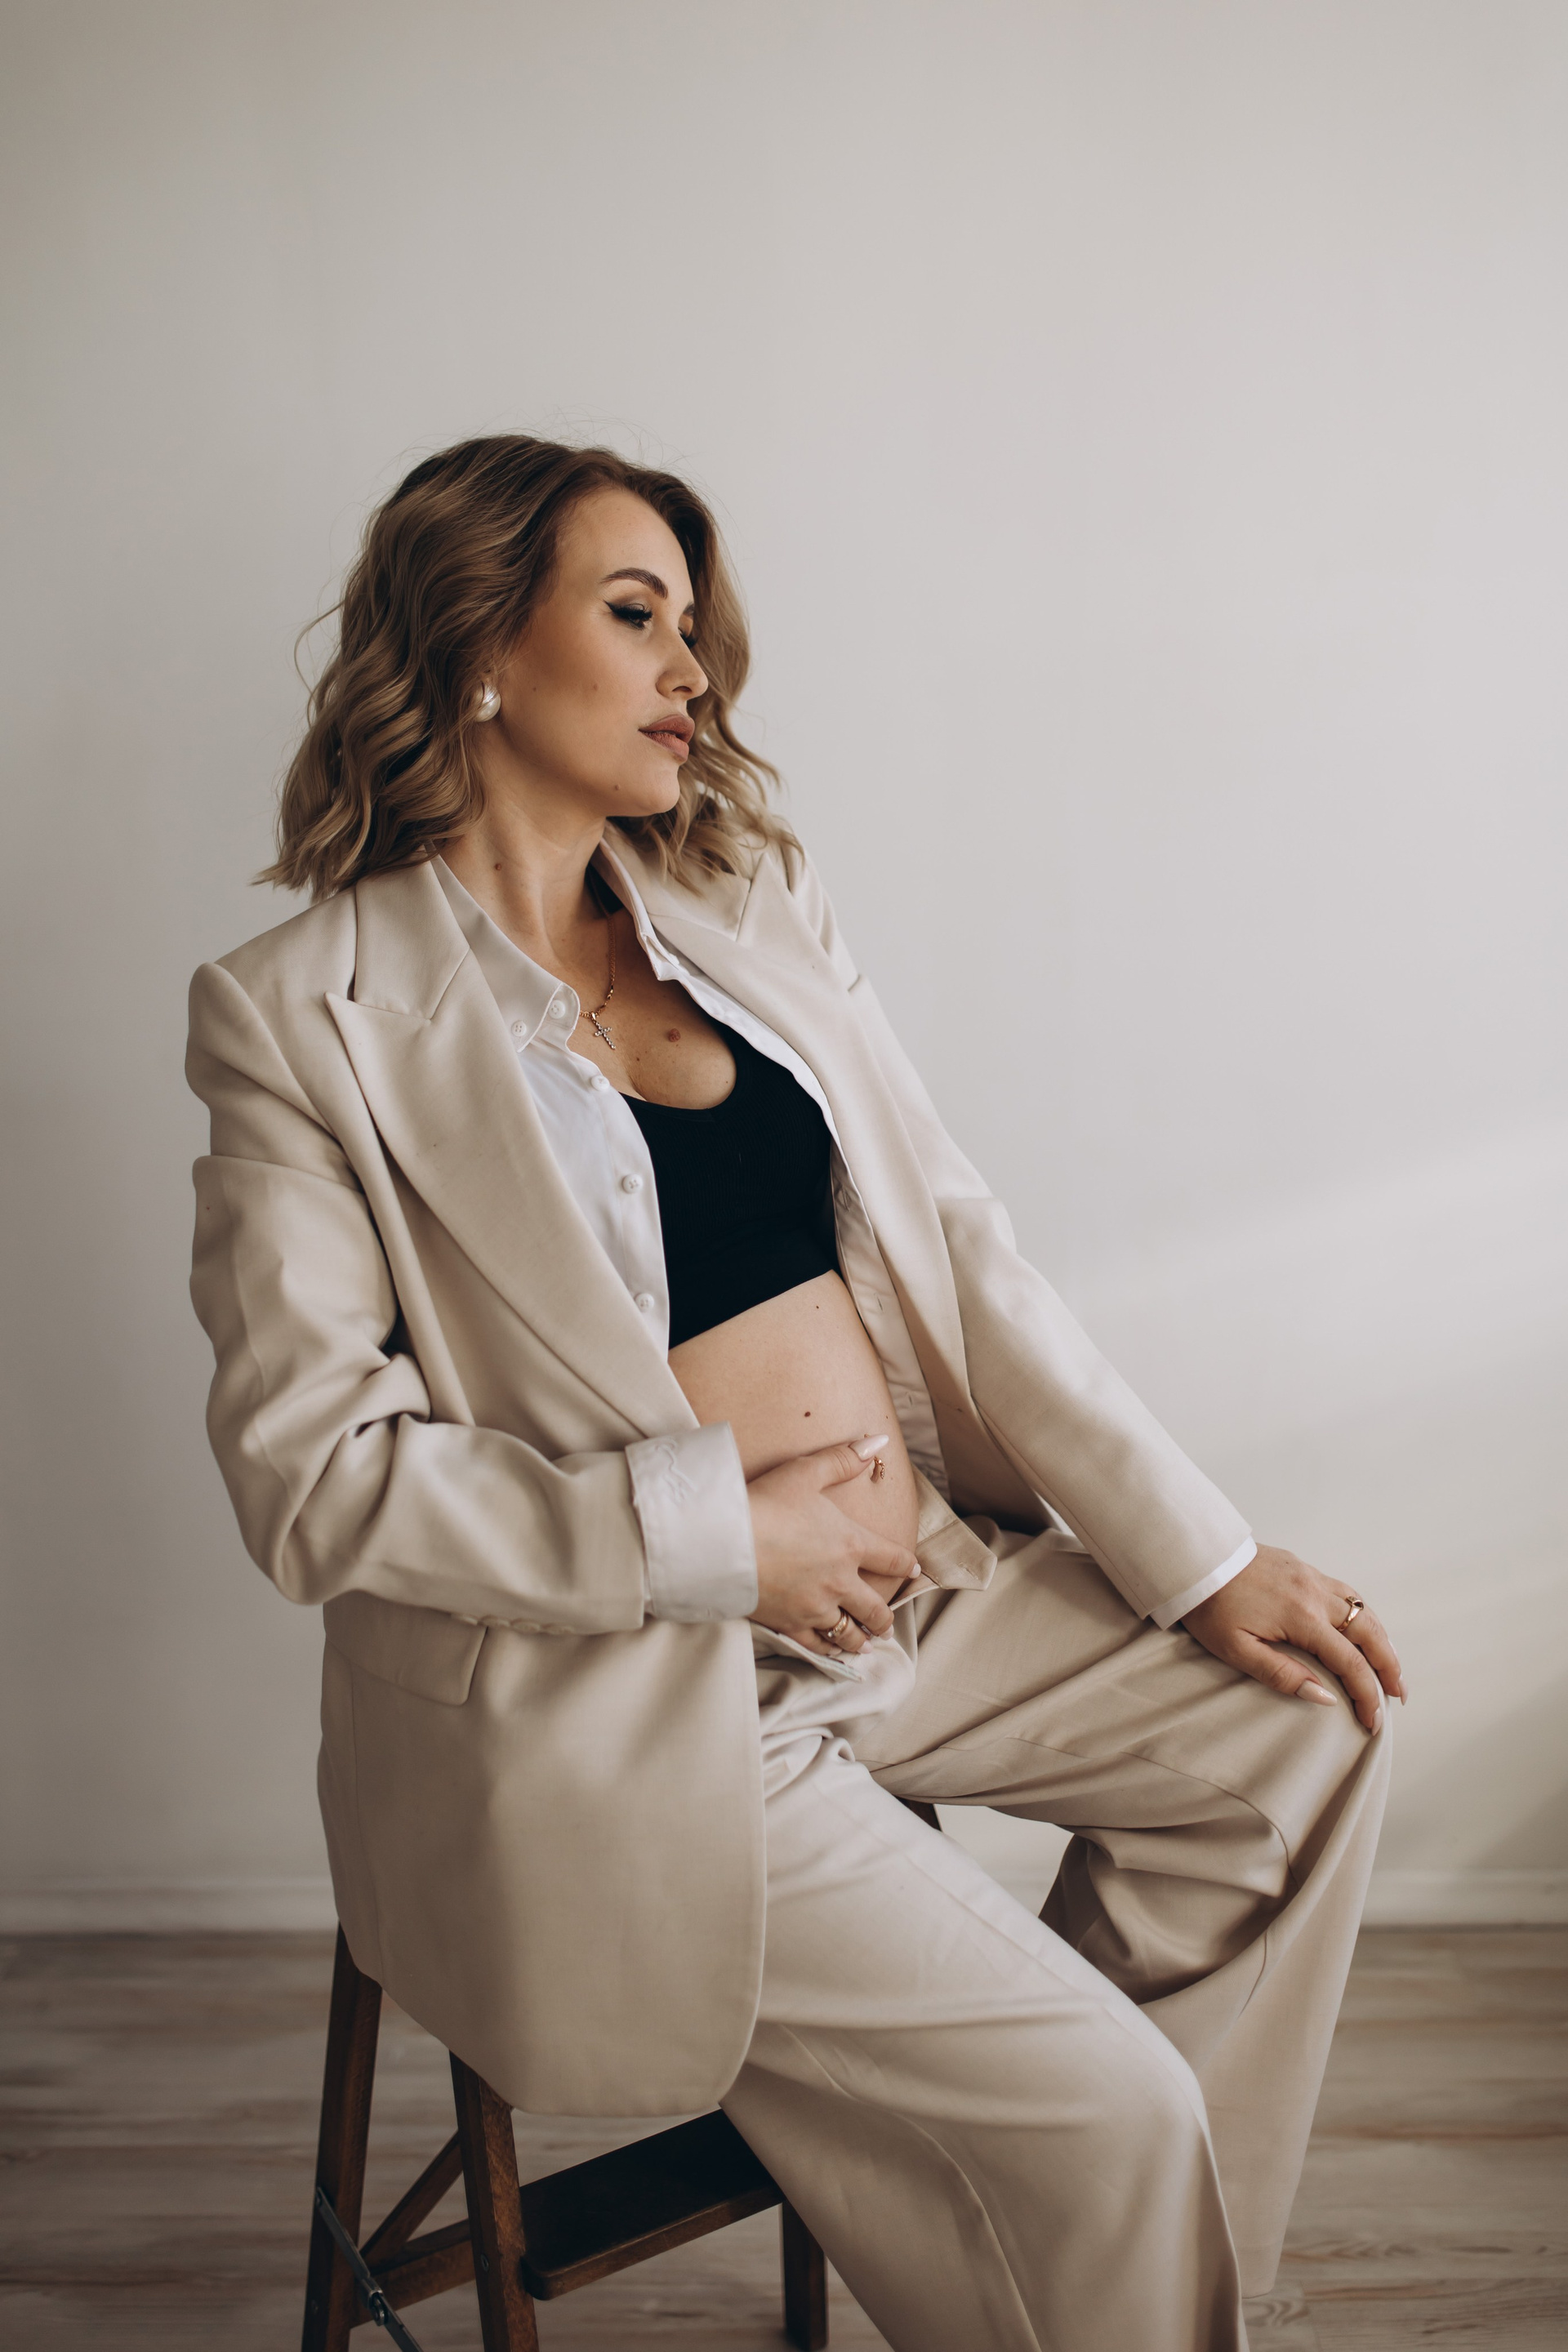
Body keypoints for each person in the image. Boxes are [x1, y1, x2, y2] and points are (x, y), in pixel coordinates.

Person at [186, 434, 1401, 2352]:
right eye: (636, 615)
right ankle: (1099, 2228)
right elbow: (311, 1479)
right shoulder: (298, 1013)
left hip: (930, 1595)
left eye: (694, 623)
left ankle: (1110, 2279)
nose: (695, 670)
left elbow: (964, 1249)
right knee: (1112, 2109)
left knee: (1305, 1734)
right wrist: (717, 1541)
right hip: (652, 1694)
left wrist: (1203, 1556)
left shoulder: (747, 899)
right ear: (480, 649)